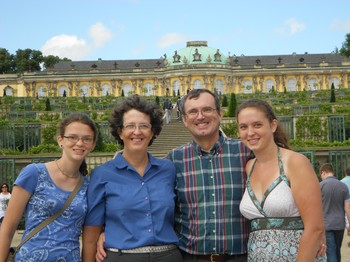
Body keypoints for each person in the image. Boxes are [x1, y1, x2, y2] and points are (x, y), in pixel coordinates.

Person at [95, 89, 251, 262]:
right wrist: (107, 232)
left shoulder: (247, 153)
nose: (200, 116)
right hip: (190, 257)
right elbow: (147, 201)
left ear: (220, 114)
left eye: (207, 109)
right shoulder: (173, 160)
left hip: (240, 257)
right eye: (192, 111)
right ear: (184, 119)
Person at [83, 95, 182, 262]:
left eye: (144, 126)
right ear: (120, 132)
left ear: (152, 132)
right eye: (130, 126)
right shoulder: (102, 174)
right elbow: (91, 234)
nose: (137, 132)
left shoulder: (168, 169)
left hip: (168, 256)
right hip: (122, 257)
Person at [0, 112, 97, 261]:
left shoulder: (88, 185)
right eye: (72, 137)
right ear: (60, 140)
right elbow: (7, 228)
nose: (79, 143)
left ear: (93, 145)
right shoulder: (34, 173)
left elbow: (91, 233)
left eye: (86, 139)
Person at [237, 99, 326, 261]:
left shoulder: (295, 162)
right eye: (243, 127)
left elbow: (315, 228)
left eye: (257, 125)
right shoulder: (249, 167)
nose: (250, 133)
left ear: (273, 125)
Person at [320, 163, 350, 262]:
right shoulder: (343, 186)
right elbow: (347, 208)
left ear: (323, 172)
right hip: (340, 224)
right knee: (337, 251)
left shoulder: (320, 186)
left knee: (331, 252)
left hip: (327, 224)